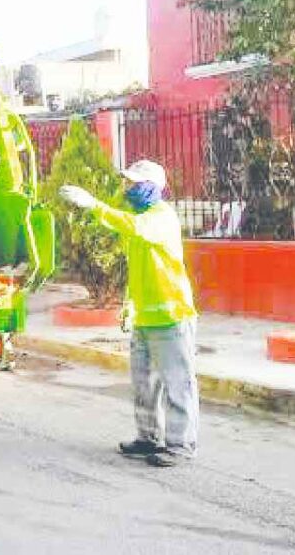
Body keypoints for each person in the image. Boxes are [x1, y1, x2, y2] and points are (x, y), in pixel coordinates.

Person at [59, 159, 200, 467]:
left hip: (171, 315)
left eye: (134, 184)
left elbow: (132, 226)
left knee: (178, 384)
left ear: (152, 187)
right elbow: (139, 271)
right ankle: (148, 437)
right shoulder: (140, 219)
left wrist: (93, 204)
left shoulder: (160, 217)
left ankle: (180, 445)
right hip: (145, 317)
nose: (128, 188)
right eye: (127, 183)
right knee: (144, 384)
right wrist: (130, 305)